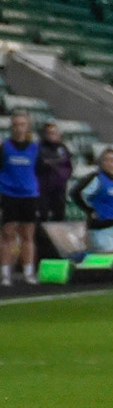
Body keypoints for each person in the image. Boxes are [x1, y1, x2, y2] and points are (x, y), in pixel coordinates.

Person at [1, 111, 41, 285]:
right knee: (7, 234)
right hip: (9, 194)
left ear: (28, 126)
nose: (19, 128)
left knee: (27, 234)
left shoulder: (34, 149)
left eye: (22, 124)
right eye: (16, 124)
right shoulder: (5, 148)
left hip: (29, 195)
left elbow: (39, 170)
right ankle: (5, 274)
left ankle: (28, 272)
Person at [69, 148, 113, 252]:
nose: (110, 163)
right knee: (108, 259)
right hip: (102, 229)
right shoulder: (96, 178)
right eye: (106, 160)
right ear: (101, 162)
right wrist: (90, 210)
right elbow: (75, 193)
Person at [36, 122, 73, 226]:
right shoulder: (39, 148)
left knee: (59, 215)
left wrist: (63, 175)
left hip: (60, 189)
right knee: (43, 216)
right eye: (50, 133)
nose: (53, 135)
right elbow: (38, 166)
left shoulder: (63, 148)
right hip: (43, 188)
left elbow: (68, 166)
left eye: (54, 132)